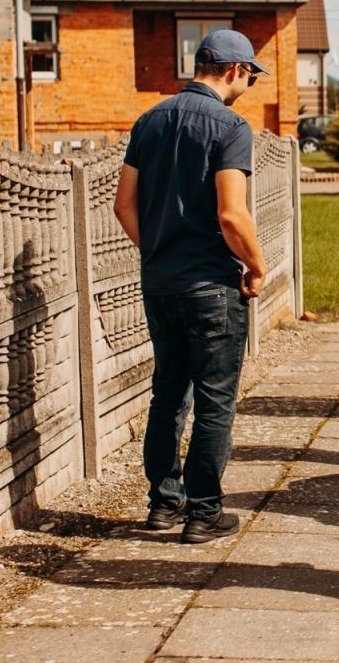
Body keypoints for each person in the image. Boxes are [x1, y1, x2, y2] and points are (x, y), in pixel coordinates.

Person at [113, 28, 268, 545]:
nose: (247, 85)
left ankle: (163, 504)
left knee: (167, 395)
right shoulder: (231, 127)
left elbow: (123, 205)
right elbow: (232, 214)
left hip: (160, 285)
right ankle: (204, 513)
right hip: (211, 287)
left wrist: (158, 249)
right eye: (250, 76)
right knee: (215, 400)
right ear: (234, 70)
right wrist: (256, 266)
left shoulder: (149, 121)